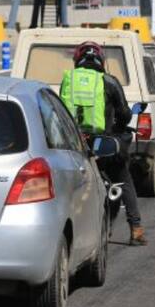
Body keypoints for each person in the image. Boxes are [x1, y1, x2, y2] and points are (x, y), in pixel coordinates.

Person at [60, 40, 146, 246]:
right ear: (101, 60)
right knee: (123, 180)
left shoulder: (68, 80)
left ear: (77, 60)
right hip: (103, 144)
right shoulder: (109, 81)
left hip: (75, 144)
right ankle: (136, 230)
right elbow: (125, 114)